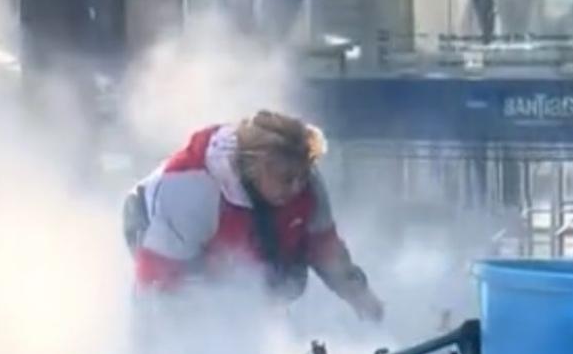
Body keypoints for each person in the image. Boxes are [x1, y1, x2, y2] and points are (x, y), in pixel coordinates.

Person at [122, 110, 384, 322]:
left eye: (303, 176)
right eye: (286, 179)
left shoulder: (306, 186)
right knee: (193, 296)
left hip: (242, 232)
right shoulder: (194, 189)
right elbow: (155, 275)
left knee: (284, 280)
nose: (297, 187)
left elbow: (326, 249)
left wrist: (360, 296)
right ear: (253, 168)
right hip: (153, 223)